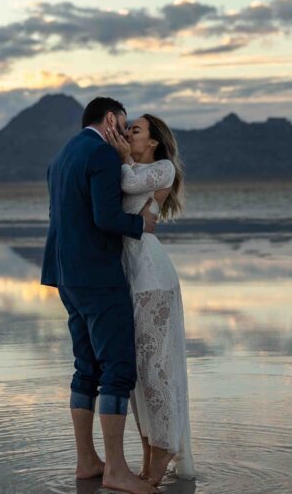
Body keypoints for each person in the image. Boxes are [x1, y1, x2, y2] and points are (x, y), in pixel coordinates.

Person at [41, 97, 161, 494]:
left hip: (65, 275)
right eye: (123, 125)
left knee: (85, 368)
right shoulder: (102, 154)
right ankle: (116, 470)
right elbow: (105, 217)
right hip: (97, 275)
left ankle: (87, 461)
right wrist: (141, 223)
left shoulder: (62, 156)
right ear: (110, 118)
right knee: (117, 369)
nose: (125, 133)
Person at [103, 114, 195, 486]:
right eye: (126, 131)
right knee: (138, 373)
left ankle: (166, 447)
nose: (127, 135)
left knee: (157, 370)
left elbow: (128, 181)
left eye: (135, 130)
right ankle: (148, 455)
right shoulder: (131, 165)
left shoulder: (163, 168)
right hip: (130, 276)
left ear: (154, 141)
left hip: (153, 278)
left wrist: (122, 156)